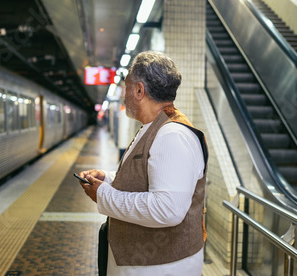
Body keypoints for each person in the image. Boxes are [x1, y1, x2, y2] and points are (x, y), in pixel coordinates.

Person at [78, 51, 208, 276]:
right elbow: (149, 177)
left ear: (139, 90)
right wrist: (107, 178)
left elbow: (167, 209)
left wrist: (104, 195)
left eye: (126, 86)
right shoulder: (154, 127)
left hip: (160, 268)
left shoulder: (172, 136)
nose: (123, 93)